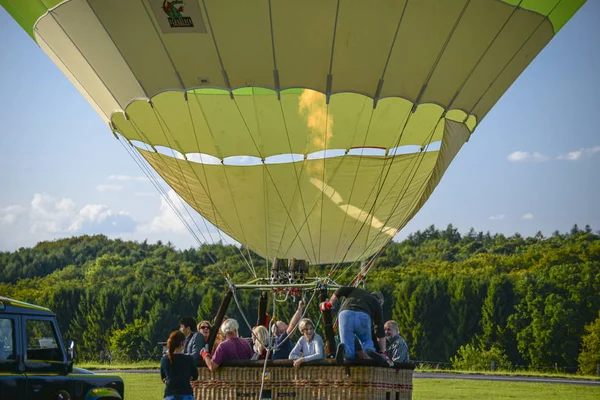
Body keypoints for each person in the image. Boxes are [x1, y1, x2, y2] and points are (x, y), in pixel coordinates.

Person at [320, 288, 392, 366]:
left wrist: (330, 303)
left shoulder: (357, 291)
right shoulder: (377, 304)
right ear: (380, 301)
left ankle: (344, 350)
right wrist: (383, 351)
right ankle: (369, 351)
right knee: (366, 341)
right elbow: (379, 329)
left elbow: (341, 290)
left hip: (345, 314)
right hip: (363, 316)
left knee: (348, 347)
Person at [160, 331, 198, 400]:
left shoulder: (164, 359)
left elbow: (163, 377)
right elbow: (195, 376)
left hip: (170, 394)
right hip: (186, 393)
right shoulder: (189, 359)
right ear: (182, 343)